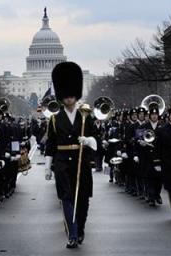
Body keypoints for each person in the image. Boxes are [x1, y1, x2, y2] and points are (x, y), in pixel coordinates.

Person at [44, 62, 97, 248]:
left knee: (82, 200)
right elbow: (51, 143)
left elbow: (97, 137)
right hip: (62, 163)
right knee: (66, 198)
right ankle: (72, 234)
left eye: (71, 95)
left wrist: (89, 141)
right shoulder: (54, 119)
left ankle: (80, 228)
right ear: (61, 97)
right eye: (65, 96)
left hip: (81, 161)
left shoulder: (86, 115)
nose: (69, 99)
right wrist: (47, 165)